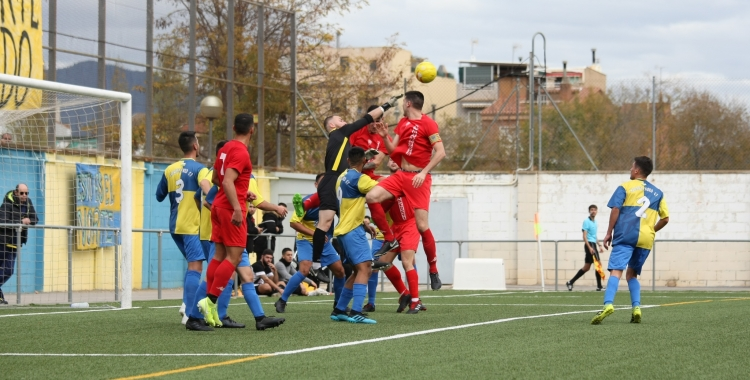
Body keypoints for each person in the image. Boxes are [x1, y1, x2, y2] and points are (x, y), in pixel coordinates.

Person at [291, 96, 400, 290]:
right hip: (332, 181)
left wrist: (365, 157)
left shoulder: (341, 141)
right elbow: (367, 117)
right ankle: (316, 263)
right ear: (332, 124)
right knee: (325, 224)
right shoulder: (340, 131)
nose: (344, 121)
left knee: (340, 221)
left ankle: (344, 258)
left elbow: (348, 162)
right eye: (340, 119)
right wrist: (387, 105)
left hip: (337, 181)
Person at [196, 113, 284, 331]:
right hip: (229, 210)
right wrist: (237, 206)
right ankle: (210, 301)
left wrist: (242, 195)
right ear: (252, 130)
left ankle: (213, 306)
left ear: (234, 127)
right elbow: (226, 181)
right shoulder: (241, 152)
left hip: (218, 206)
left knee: (219, 255)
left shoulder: (225, 148)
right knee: (234, 258)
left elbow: (217, 179)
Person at [366, 91, 446, 291]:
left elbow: (441, 152)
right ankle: (390, 239)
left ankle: (434, 270)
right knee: (372, 196)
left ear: (408, 103)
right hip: (401, 176)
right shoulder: (402, 123)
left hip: (419, 178)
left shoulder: (429, 124)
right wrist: (385, 137)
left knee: (421, 225)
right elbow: (393, 151)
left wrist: (423, 172)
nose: (402, 105)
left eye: (403, 103)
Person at [591, 156, 669, 325]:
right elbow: (665, 219)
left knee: (616, 271)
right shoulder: (659, 193)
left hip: (626, 235)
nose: (630, 169)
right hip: (646, 239)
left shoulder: (625, 186)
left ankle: (608, 305)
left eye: (631, 166)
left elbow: (616, 209)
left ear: (636, 170)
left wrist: (608, 232)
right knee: (632, 274)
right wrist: (650, 231)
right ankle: (636, 309)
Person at [155, 132, 211, 325]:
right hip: (191, 225)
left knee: (191, 265)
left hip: (175, 226)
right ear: (195, 146)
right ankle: (189, 311)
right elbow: (207, 191)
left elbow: (159, 195)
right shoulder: (201, 170)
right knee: (196, 267)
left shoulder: (169, 169)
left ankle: (185, 304)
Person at [275, 173, 347, 315]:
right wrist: (316, 234)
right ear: (316, 186)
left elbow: (346, 215)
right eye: (322, 183)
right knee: (304, 270)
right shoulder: (307, 201)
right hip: (305, 240)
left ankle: (339, 306)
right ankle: (282, 300)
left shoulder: (334, 201)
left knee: (340, 271)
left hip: (324, 242)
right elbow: (293, 223)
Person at [331, 147, 383, 324]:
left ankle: (340, 309)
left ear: (347, 161)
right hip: (352, 230)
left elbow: (350, 206)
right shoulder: (361, 179)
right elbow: (382, 190)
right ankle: (356, 311)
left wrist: (364, 223)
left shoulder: (342, 176)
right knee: (365, 268)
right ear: (364, 161)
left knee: (357, 270)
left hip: (345, 229)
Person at [0, 184, 38, 305]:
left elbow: (35, 218)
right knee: (7, 270)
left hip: (16, 242)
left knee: (7, 270)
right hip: (3, 241)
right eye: (22, 193)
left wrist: (29, 221)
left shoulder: (28, 203)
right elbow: (3, 222)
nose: (24, 196)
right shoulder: (6, 204)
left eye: (26, 193)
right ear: (16, 192)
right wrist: (21, 221)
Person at [566, 205, 606, 291]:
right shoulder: (586, 221)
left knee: (587, 267)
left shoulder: (595, 222)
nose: (593, 211)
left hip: (593, 244)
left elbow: (594, 236)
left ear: (597, 211)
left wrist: (599, 245)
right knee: (598, 265)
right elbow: (584, 237)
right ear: (589, 211)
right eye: (591, 210)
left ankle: (570, 282)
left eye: (595, 210)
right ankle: (599, 286)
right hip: (589, 245)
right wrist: (589, 247)